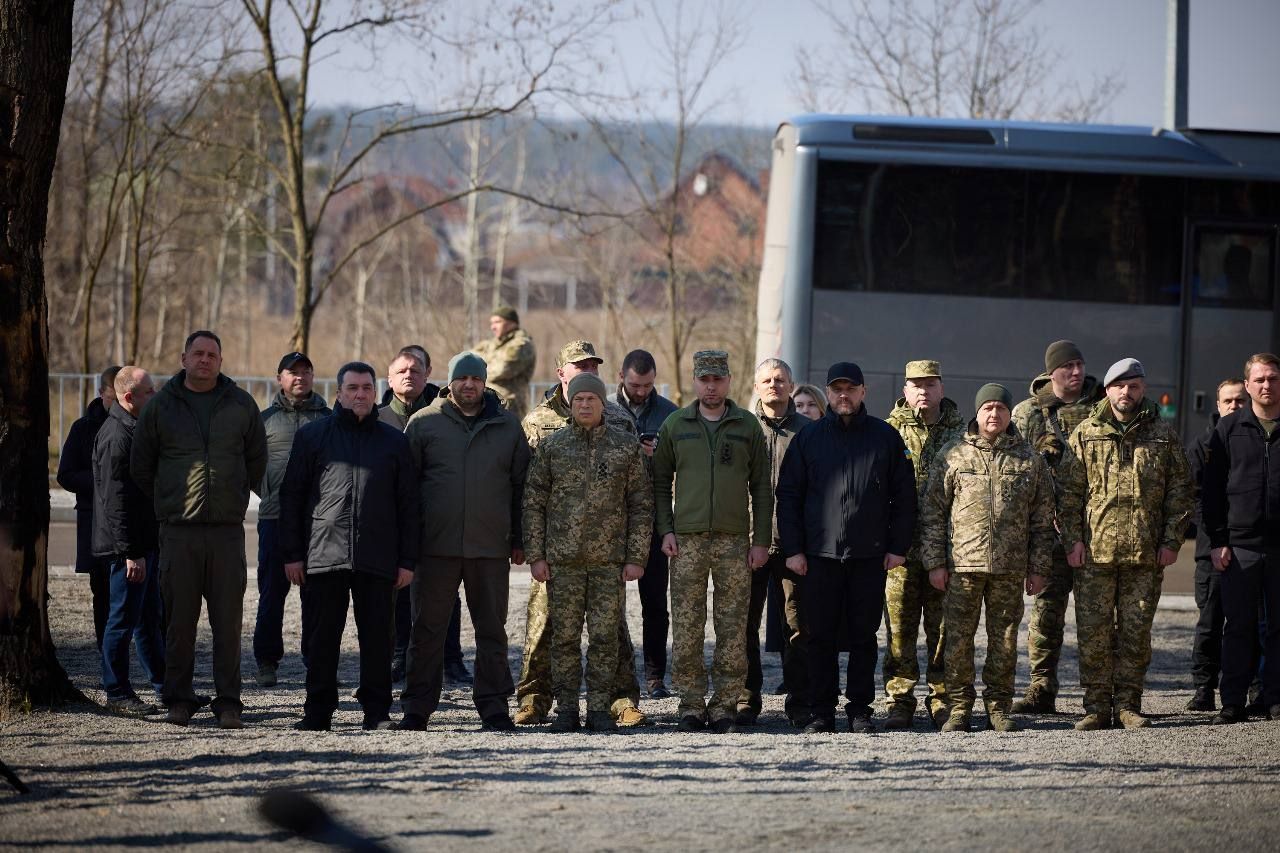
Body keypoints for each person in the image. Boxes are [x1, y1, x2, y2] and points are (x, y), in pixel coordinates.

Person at [130, 330, 268, 729]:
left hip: (227, 532)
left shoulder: (241, 404)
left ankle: (228, 703)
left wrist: (234, 493)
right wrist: (169, 496)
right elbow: (142, 465)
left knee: (228, 624)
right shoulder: (161, 407)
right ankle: (178, 699)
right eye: (198, 353)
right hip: (179, 532)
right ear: (184, 358)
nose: (205, 360)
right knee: (178, 623)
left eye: (212, 354)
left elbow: (256, 459)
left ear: (220, 361)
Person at [776, 362, 916, 734]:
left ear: (863, 392)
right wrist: (794, 549)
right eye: (836, 389)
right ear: (829, 392)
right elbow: (788, 496)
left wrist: (898, 546)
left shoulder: (885, 437)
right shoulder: (808, 439)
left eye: (850, 388)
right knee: (817, 636)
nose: (843, 395)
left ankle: (859, 710)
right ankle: (821, 711)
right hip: (819, 556)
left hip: (869, 556)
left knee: (863, 637)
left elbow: (904, 497)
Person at [279, 361, 419, 731]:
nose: (360, 394)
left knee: (378, 642)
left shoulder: (394, 441)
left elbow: (409, 505)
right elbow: (291, 498)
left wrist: (407, 561)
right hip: (324, 555)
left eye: (366, 389)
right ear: (339, 392)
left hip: (378, 557)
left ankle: (376, 713)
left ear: (375, 393)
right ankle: (318, 712)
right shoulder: (313, 437)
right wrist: (292, 554)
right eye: (352, 388)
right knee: (321, 639)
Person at [515, 340, 646, 728]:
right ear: (562, 373)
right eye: (578, 366)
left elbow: (639, 500)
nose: (586, 373)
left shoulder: (621, 427)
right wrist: (534, 551)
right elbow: (531, 495)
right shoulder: (541, 427)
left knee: (610, 635)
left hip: (607, 559)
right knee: (551, 631)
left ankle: (612, 703)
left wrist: (635, 554)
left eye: (592, 366)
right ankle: (543, 701)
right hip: (560, 557)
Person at [1057, 357, 1193, 730]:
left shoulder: (1162, 435)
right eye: (1120, 386)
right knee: (1094, 633)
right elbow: (1068, 494)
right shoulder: (1085, 434)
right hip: (1095, 554)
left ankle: (1129, 704)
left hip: (1144, 554)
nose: (1127, 393)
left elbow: (1180, 493)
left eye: (1134, 386)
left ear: (1143, 389)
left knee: (1136, 633)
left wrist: (1171, 541)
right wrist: (1073, 541)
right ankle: (1097, 707)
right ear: (1108, 390)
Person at [398, 352, 530, 732]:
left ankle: (493, 707)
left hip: (489, 549)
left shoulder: (507, 426)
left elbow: (522, 488)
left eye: (476, 378)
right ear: (450, 382)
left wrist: (519, 539)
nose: (469, 385)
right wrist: (409, 544)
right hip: (433, 549)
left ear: (484, 382)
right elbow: (406, 491)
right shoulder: (424, 424)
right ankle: (417, 708)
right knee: (426, 631)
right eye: (462, 378)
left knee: (492, 631)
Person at [921, 383, 1053, 733]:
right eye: (987, 408)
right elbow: (933, 513)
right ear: (977, 412)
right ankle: (959, 708)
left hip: (1009, 568)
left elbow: (1043, 519)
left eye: (1000, 409)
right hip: (962, 567)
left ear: (1010, 414)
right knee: (957, 641)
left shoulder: (1029, 458)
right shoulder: (953, 454)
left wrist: (1038, 568)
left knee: (1005, 641)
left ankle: (998, 707)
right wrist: (934, 562)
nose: (994, 415)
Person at [653, 350, 772, 733]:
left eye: (717, 379)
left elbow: (763, 490)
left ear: (728, 381)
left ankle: (724, 704)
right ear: (694, 381)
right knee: (687, 625)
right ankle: (689, 703)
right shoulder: (675, 424)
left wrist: (761, 541)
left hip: (734, 541)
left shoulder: (747, 426)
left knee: (733, 626)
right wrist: (666, 530)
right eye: (704, 379)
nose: (710, 386)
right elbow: (658, 484)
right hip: (686, 541)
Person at [1010, 339, 1105, 715]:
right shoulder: (1028, 413)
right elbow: (1015, 470)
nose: (1076, 372)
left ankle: (1100, 695)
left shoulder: (1103, 408)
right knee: (1047, 612)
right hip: (1049, 533)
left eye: (1080, 365)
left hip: (1097, 529)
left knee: (1097, 615)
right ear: (1052, 372)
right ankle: (1041, 688)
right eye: (1068, 366)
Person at [882, 359, 966, 729]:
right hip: (899, 550)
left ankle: (943, 698)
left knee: (942, 628)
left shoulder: (962, 432)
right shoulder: (887, 432)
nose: (923, 391)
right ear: (904, 390)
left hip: (945, 552)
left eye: (930, 384)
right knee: (899, 630)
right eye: (915, 385)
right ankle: (900, 699)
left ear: (941, 388)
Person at [377, 347, 464, 686]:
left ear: (429, 373)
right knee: (397, 591)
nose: (409, 375)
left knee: (444, 593)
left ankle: (452, 658)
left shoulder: (444, 416)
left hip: (436, 519)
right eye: (402, 370)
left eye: (416, 370)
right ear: (390, 377)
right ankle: (400, 654)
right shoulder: (379, 418)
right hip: (392, 523)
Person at [1203, 353, 1280, 724]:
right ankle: (1232, 701)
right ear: (1247, 385)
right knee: (1238, 627)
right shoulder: (1229, 430)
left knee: (1279, 628)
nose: (1267, 385)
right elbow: (1213, 491)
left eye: (1274, 378)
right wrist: (1218, 541)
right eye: (1260, 379)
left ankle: (1273, 697)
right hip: (1240, 547)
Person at [252, 351, 330, 688]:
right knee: (272, 593)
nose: (300, 377)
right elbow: (251, 465)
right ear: (279, 378)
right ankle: (267, 661)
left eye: (306, 371)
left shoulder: (329, 419)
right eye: (292, 372)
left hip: (319, 523)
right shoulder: (264, 420)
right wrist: (269, 491)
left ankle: (316, 660)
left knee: (317, 597)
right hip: (274, 519)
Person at [91, 366, 165, 716]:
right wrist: (131, 553)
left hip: (141, 545)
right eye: (149, 391)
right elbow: (115, 501)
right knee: (121, 620)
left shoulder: (131, 428)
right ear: (129, 397)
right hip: (128, 550)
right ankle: (117, 691)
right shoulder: (117, 436)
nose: (156, 395)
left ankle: (166, 688)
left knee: (148, 619)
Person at [738, 358, 807, 727]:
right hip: (750, 543)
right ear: (755, 386)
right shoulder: (743, 429)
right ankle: (746, 699)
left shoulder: (810, 432)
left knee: (795, 625)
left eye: (780, 380)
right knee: (743, 624)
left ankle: (798, 701)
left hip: (793, 544)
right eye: (766, 380)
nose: (773, 385)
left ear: (791, 386)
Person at [614, 349, 678, 698]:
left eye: (648, 385)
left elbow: (678, 470)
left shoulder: (670, 415)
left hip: (653, 522)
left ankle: (655, 676)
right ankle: (615, 675)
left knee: (655, 603)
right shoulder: (605, 409)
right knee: (610, 605)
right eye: (635, 385)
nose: (641, 392)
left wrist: (656, 455)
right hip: (612, 522)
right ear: (622, 376)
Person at [1185, 378, 1249, 712]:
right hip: (1211, 551)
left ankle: (1255, 691)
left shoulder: (1257, 438)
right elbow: (1192, 497)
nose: (1234, 407)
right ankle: (1203, 689)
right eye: (1228, 401)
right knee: (1209, 624)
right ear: (1218, 405)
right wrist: (1213, 537)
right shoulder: (1203, 445)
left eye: (1240, 401)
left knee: (1250, 623)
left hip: (1249, 549)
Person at [57, 365, 121, 650]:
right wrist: (100, 483)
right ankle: (104, 646)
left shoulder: (141, 423)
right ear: (101, 394)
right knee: (102, 590)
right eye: (113, 398)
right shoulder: (83, 429)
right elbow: (65, 474)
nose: (119, 404)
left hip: (130, 521)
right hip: (95, 519)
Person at [473, 304, 536, 419]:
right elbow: (466, 360)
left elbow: (503, 369)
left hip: (507, 407)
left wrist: (478, 368)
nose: (493, 327)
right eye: (492, 323)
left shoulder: (521, 344)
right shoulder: (491, 344)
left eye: (497, 322)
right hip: (484, 404)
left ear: (512, 323)